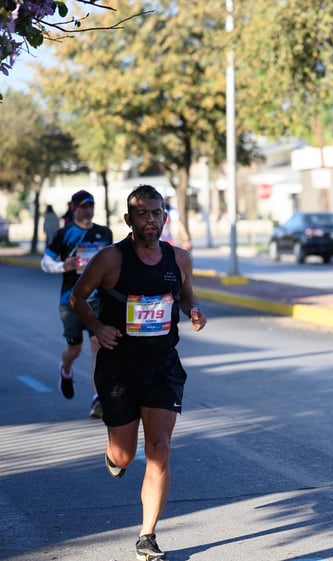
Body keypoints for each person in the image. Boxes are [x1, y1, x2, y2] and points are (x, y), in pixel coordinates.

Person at [70, 184, 207, 561]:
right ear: (129, 219)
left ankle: (147, 535)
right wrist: (97, 327)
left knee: (160, 449)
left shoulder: (179, 258)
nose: (151, 220)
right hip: (119, 367)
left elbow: (185, 295)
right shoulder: (110, 259)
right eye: (143, 213)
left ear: (165, 216)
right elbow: (77, 297)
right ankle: (114, 456)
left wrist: (193, 310)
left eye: (157, 213)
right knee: (127, 454)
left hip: (162, 363)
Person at [41, 190, 113, 418]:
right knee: (75, 349)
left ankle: (96, 400)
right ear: (74, 209)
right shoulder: (64, 234)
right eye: (83, 206)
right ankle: (66, 369)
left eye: (91, 206)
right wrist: (64, 265)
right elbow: (45, 262)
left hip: (98, 301)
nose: (88, 210)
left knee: (97, 346)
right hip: (71, 301)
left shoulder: (104, 233)